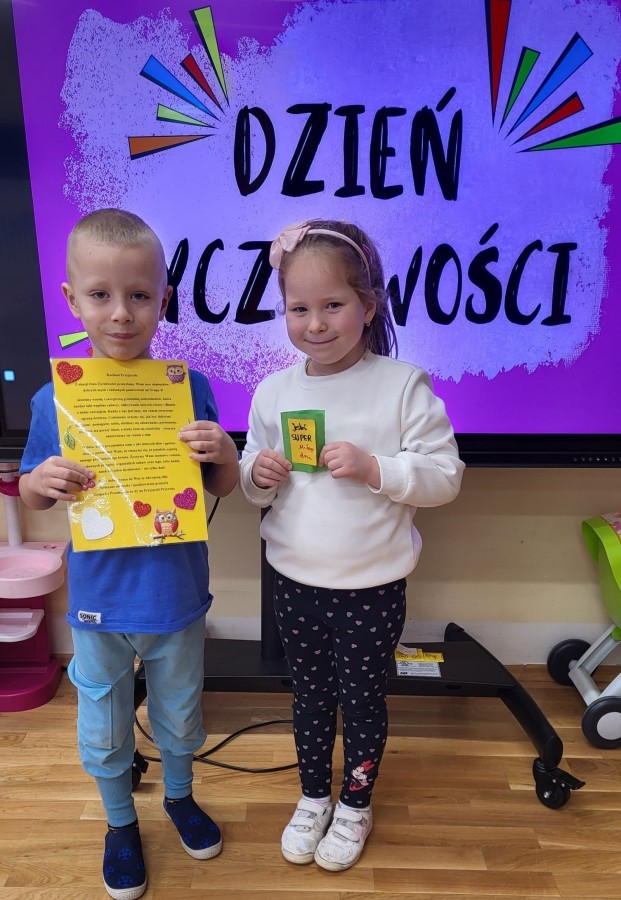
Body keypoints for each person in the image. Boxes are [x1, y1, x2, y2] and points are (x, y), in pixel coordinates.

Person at [19, 208, 239, 900]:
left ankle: (179, 796)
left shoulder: (188, 386)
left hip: (175, 595)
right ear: (71, 299)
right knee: (104, 721)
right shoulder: (54, 398)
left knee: (180, 711)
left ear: (163, 300)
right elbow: (31, 495)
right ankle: (120, 822)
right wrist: (42, 479)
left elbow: (220, 487)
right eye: (101, 294)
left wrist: (225, 452)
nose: (121, 313)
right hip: (99, 603)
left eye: (140, 295)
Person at [239, 219, 464, 872]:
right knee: (309, 697)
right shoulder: (273, 391)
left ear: (368, 306)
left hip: (371, 588)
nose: (314, 323)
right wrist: (257, 474)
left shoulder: (401, 384)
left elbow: (445, 476)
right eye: (298, 308)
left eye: (332, 304)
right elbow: (252, 475)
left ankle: (355, 802)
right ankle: (314, 796)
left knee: (362, 700)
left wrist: (376, 469)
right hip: (293, 581)